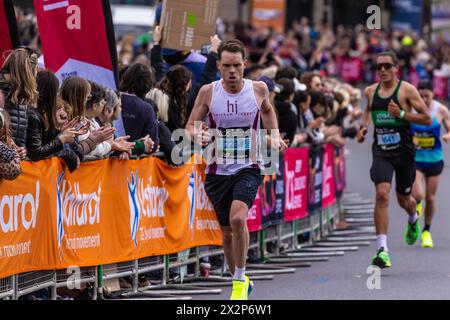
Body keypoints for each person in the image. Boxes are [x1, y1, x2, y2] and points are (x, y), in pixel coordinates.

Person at [186, 39, 287, 300]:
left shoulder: (259, 89)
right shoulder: (208, 92)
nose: (232, 72)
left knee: (238, 219)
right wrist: (198, 136)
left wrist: (274, 136)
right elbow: (190, 126)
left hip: (248, 167)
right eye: (227, 66)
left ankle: (239, 282)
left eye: (237, 66)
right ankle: (238, 278)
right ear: (218, 65)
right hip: (217, 171)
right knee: (228, 233)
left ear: (245, 65)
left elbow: (268, 111)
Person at [357, 51, 431, 269]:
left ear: (396, 68)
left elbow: (426, 118)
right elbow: (367, 112)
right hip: (381, 150)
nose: (382, 70)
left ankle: (413, 217)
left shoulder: (407, 90)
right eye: (378, 66)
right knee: (381, 194)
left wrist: (400, 115)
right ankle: (382, 249)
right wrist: (363, 128)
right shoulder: (370, 91)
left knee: (404, 200)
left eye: (387, 66)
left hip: (404, 153)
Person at [410, 79, 450, 248]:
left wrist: (448, 136)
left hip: (434, 158)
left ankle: (426, 231)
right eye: (421, 96)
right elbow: (404, 128)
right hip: (416, 158)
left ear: (433, 94)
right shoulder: (411, 108)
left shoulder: (440, 110)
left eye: (427, 96)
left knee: (431, 198)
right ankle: (416, 209)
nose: (424, 99)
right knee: (418, 194)